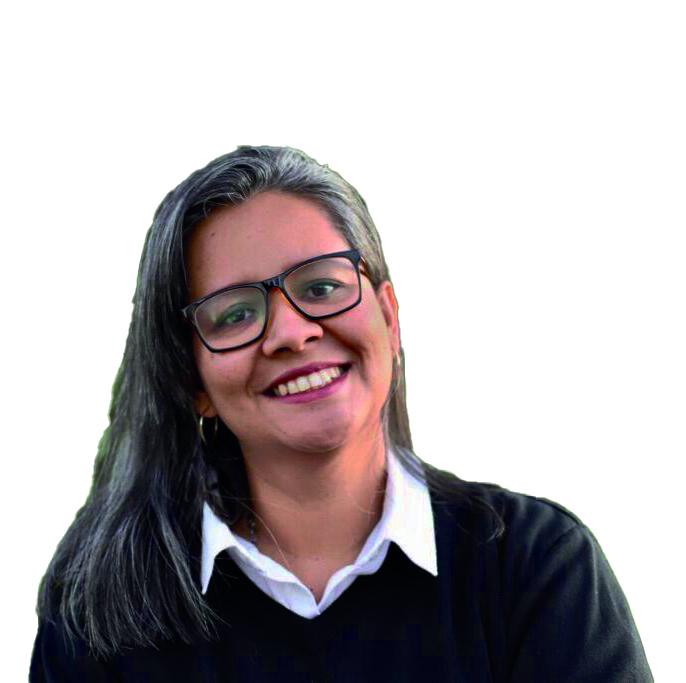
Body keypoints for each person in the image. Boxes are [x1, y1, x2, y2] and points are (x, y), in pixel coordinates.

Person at [30, 145, 653, 681]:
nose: (292, 332)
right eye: (236, 313)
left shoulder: (538, 569)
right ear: (193, 382)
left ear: (389, 316)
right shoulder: (98, 617)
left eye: (322, 286)